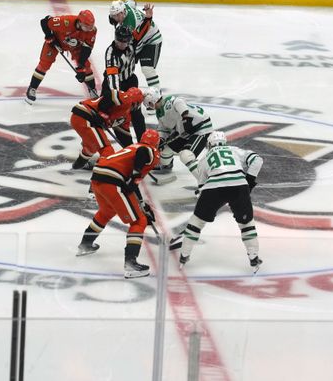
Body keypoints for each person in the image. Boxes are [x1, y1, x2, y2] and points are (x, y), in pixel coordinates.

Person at [172, 131, 264, 273]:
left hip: (213, 188)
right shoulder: (234, 150)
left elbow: (202, 185)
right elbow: (257, 160)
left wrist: (204, 199)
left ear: (209, 144)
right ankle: (253, 257)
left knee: (196, 223)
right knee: (246, 224)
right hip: (239, 185)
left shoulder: (205, 158)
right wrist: (249, 181)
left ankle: (184, 255)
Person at [76, 129, 161, 279]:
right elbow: (142, 154)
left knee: (106, 212)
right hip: (113, 180)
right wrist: (135, 174)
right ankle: (131, 264)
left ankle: (85, 244)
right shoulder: (149, 149)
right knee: (138, 220)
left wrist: (139, 202)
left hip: (98, 177)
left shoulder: (131, 147)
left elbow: (131, 185)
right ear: (157, 142)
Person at [25, 10, 97, 104]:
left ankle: (92, 90)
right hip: (55, 43)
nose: (89, 29)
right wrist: (49, 36)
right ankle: (32, 88)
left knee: (86, 67)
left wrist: (81, 66)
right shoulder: (65, 21)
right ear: (79, 22)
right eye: (87, 26)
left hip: (75, 47)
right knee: (44, 64)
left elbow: (86, 49)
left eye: (91, 26)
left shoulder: (92, 30)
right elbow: (44, 21)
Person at [142, 88, 213, 182]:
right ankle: (167, 164)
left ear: (154, 99)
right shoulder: (159, 112)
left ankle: (205, 182)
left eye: (150, 104)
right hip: (185, 132)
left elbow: (179, 102)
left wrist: (185, 118)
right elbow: (163, 128)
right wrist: (162, 139)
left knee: (186, 155)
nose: (150, 107)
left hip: (200, 129)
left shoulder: (169, 102)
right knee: (165, 149)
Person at [70, 87, 143, 170]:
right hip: (85, 115)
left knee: (91, 147)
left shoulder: (127, 116)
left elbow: (124, 137)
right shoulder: (125, 98)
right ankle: (103, 174)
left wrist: (132, 154)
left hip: (85, 119)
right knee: (107, 150)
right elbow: (109, 95)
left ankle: (78, 166)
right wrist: (102, 114)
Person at [99, 24, 146, 140]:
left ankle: (144, 141)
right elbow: (112, 76)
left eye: (125, 41)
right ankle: (97, 140)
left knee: (136, 112)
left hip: (130, 81)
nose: (121, 44)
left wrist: (148, 18)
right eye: (119, 40)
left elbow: (141, 32)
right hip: (114, 83)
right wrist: (116, 95)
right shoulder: (111, 53)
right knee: (104, 112)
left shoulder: (131, 43)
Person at [108, 0, 162, 92]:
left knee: (147, 69)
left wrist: (148, 17)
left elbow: (135, 40)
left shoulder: (130, 25)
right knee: (125, 63)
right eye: (114, 15)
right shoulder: (125, 6)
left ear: (123, 12)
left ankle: (156, 96)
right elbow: (131, 1)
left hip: (151, 40)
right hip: (140, 39)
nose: (116, 18)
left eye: (117, 15)